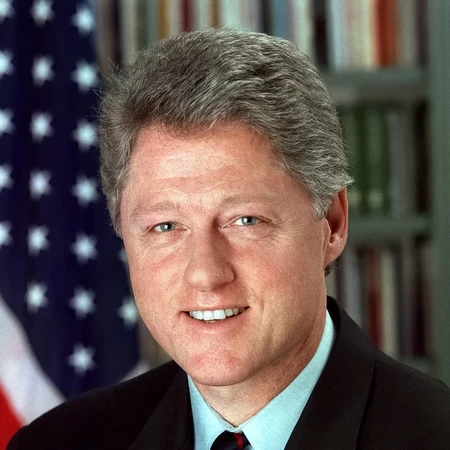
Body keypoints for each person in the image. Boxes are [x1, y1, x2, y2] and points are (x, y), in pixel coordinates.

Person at [7, 28, 450, 450]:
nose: (205, 274)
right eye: (165, 226)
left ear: (331, 224)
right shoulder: (55, 443)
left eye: (245, 221)